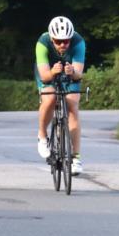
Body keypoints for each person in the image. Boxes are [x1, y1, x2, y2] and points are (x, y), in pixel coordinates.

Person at [35, 16, 86, 175]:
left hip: (69, 74)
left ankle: (75, 157)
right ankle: (42, 135)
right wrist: (52, 72)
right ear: (51, 38)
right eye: (58, 41)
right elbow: (44, 76)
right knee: (49, 97)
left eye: (66, 41)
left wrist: (73, 72)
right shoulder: (42, 43)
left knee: (72, 104)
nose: (63, 44)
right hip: (48, 72)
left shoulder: (78, 42)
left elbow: (78, 75)